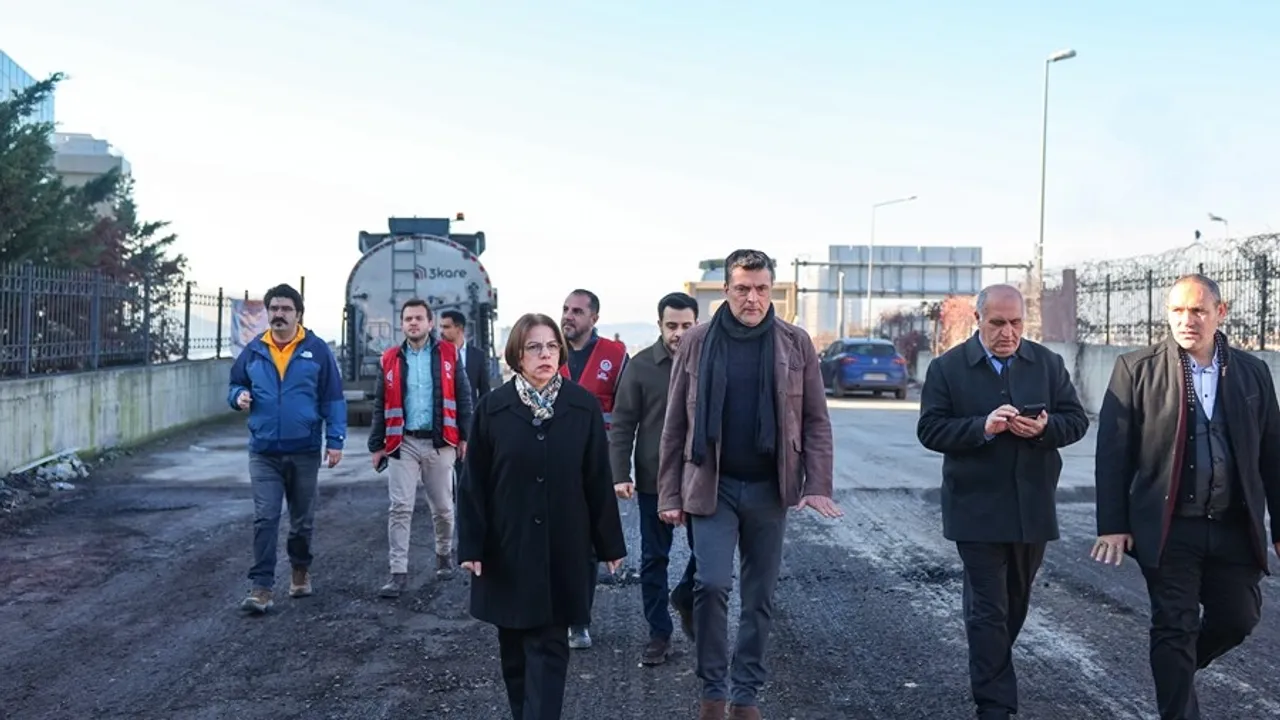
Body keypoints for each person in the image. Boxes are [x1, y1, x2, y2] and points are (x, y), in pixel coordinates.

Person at [657, 249, 842, 720]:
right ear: (726, 291)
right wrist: (669, 493)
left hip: (769, 488)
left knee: (759, 597)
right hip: (711, 485)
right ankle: (713, 692)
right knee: (711, 584)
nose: (752, 298)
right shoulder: (697, 341)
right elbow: (675, 423)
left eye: (761, 289)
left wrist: (817, 483)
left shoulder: (795, 343)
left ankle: (745, 696)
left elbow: (816, 420)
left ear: (771, 290)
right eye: (742, 289)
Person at [1093, 273, 1280, 720]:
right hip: (1169, 527)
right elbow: (1113, 453)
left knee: (1238, 618)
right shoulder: (1136, 369)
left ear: (1221, 312)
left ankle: (1174, 668)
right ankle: (1176, 694)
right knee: (1173, 625)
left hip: (1233, 525)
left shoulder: (1253, 372)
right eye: (1177, 310)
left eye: (1197, 310)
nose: (1186, 320)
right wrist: (1113, 525)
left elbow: (1273, 453)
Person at [916, 283, 1089, 720]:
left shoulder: (1047, 363)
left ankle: (988, 660)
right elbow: (930, 430)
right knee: (989, 610)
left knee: (1013, 603)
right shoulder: (947, 369)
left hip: (1032, 507)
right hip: (975, 509)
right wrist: (983, 427)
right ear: (978, 320)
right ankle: (995, 706)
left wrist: (1046, 429)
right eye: (997, 323)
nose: (1008, 332)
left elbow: (1076, 420)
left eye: (1016, 323)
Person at [457, 312, 627, 720]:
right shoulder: (493, 408)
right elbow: (473, 483)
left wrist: (609, 544)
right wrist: (472, 545)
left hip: (562, 547)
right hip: (507, 547)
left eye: (552, 346)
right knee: (514, 651)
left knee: (550, 649)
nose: (545, 354)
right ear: (517, 354)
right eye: (534, 347)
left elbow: (596, 479)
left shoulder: (581, 406)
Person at [227, 283, 346, 614]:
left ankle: (300, 569)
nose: (279, 314)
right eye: (274, 308)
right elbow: (235, 383)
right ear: (268, 313)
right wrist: (238, 397)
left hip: (304, 450)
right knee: (265, 517)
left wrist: (335, 441)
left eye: (286, 309)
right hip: (263, 451)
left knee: (301, 521)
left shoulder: (316, 350)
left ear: (299, 314)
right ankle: (261, 588)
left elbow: (333, 398)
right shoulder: (255, 350)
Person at [610, 291, 700, 666]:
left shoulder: (710, 361)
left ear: (697, 325)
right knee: (654, 559)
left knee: (708, 556)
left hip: (701, 478)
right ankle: (659, 634)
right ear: (659, 325)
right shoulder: (641, 366)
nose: (679, 333)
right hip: (654, 481)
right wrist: (620, 473)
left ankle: (686, 596)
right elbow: (622, 423)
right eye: (671, 325)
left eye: (686, 326)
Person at [368, 299, 474, 598]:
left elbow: (464, 396)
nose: (413, 323)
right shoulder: (389, 358)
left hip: (440, 442)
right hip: (402, 443)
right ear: (402, 324)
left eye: (418, 318)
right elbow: (380, 403)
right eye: (408, 319)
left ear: (430, 323)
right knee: (400, 507)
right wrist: (376, 445)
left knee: (443, 507)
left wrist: (465, 437)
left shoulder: (449, 354)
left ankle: (443, 555)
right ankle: (397, 574)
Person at [559, 288, 629, 649]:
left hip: (593, 465)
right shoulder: (547, 349)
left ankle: (578, 621)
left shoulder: (614, 356)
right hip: (548, 462)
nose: (568, 316)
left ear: (594, 318)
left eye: (577, 311)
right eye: (565, 309)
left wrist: (621, 469)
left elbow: (627, 413)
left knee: (584, 545)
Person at [439, 309, 492, 404]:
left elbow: (485, 391)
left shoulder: (478, 356)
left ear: (459, 328)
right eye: (441, 327)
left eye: (446, 327)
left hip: (470, 411)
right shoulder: (436, 354)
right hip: (444, 411)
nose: (441, 331)